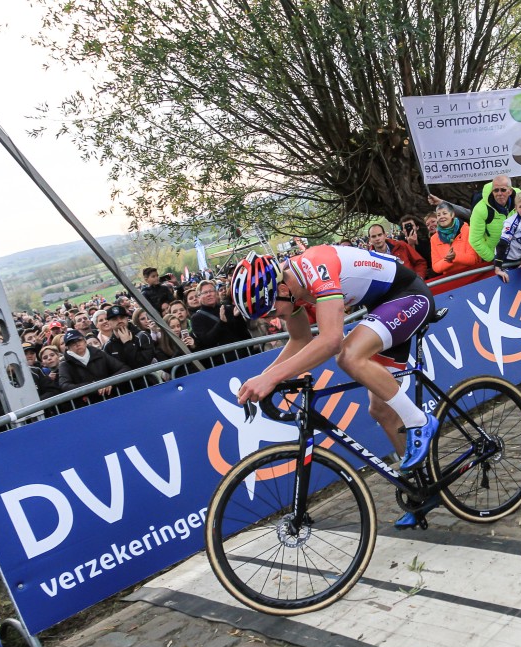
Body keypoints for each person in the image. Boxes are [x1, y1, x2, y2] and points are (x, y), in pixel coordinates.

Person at [231, 247, 438, 529]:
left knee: (349, 355)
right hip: (383, 308)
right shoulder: (290, 292)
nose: (270, 319)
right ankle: (422, 490)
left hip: (409, 297)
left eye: (269, 310)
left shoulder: (315, 267)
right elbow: (301, 340)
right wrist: (266, 377)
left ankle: (420, 421)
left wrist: (271, 379)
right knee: (382, 410)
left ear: (281, 287)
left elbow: (331, 341)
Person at [57, 329, 131, 400]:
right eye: (72, 343)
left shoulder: (100, 354)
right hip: (87, 405)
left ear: (85, 341)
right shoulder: (65, 365)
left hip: (111, 397)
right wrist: (93, 387)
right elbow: (65, 386)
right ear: (68, 348)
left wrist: (109, 383)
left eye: (79, 340)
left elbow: (124, 368)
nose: (77, 344)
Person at [191, 279, 254, 354]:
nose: (209, 294)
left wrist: (238, 318)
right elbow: (207, 341)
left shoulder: (229, 308)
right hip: (222, 360)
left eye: (211, 291)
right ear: (199, 297)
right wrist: (221, 323)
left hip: (243, 354)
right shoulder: (196, 318)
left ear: (216, 293)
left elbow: (243, 334)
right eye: (205, 292)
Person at [430, 202, 486, 278]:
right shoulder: (434, 239)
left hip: (472, 276)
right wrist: (448, 260)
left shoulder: (467, 230)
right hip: (451, 280)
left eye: (444, 213)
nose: (441, 217)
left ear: (452, 215)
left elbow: (473, 259)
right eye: (438, 215)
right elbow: (436, 267)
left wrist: (456, 256)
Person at [467, 175, 515, 263]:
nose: (499, 193)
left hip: (516, 254)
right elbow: (474, 240)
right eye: (496, 190)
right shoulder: (480, 209)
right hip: (494, 256)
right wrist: (493, 259)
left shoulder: (519, 200)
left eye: (503, 190)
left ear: (510, 191)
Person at [494, 192, 521, 282]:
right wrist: (497, 268)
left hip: (519, 258)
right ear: (516, 208)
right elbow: (502, 244)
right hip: (505, 260)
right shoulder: (511, 222)